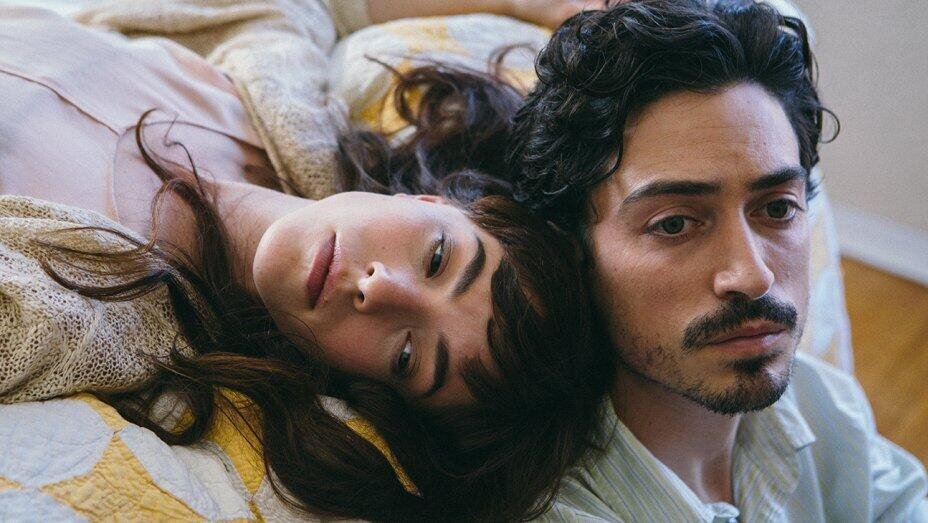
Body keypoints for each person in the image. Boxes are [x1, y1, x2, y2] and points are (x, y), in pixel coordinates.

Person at [0, 5, 614, 521]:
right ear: (436, 202)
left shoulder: (73, 314)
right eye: (437, 258)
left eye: (407, 356)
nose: (381, 289)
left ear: (362, 391)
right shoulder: (279, 92)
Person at [500, 0, 928, 520]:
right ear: (572, 251)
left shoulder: (824, 405)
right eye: (674, 224)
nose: (753, 275)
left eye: (777, 208)